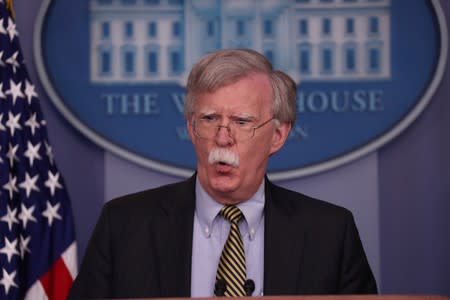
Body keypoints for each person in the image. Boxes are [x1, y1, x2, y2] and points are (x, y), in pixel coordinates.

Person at [68, 48, 377, 299]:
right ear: (191, 128)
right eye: (209, 118)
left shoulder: (330, 233)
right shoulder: (123, 225)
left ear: (278, 136)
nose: (223, 137)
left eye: (242, 121)